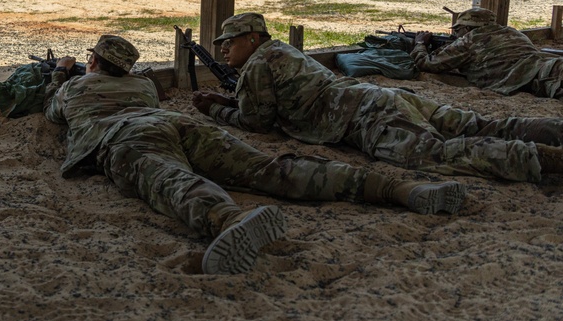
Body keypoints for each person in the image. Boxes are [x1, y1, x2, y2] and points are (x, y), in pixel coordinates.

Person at [43, 34, 465, 275]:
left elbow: (52, 111)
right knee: (269, 168)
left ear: (93, 62)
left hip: (124, 135)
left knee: (169, 180)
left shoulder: (76, 87)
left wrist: (62, 72)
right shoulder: (144, 87)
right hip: (180, 124)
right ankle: (395, 187)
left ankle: (231, 219)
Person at [192, 13, 563, 185]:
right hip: (379, 96)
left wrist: (218, 110)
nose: (224, 49)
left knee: (438, 155)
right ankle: (554, 131)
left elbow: (258, 123)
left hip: (364, 117)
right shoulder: (281, 50)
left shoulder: (258, 65)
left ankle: (543, 161)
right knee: (476, 123)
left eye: (230, 41)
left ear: (253, 39)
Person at [412, 7, 563, 99]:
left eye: (458, 30)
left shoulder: (470, 40)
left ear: (468, 29)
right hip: (550, 65)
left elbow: (427, 64)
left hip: (545, 77)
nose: (456, 35)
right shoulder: (512, 31)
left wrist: (420, 44)